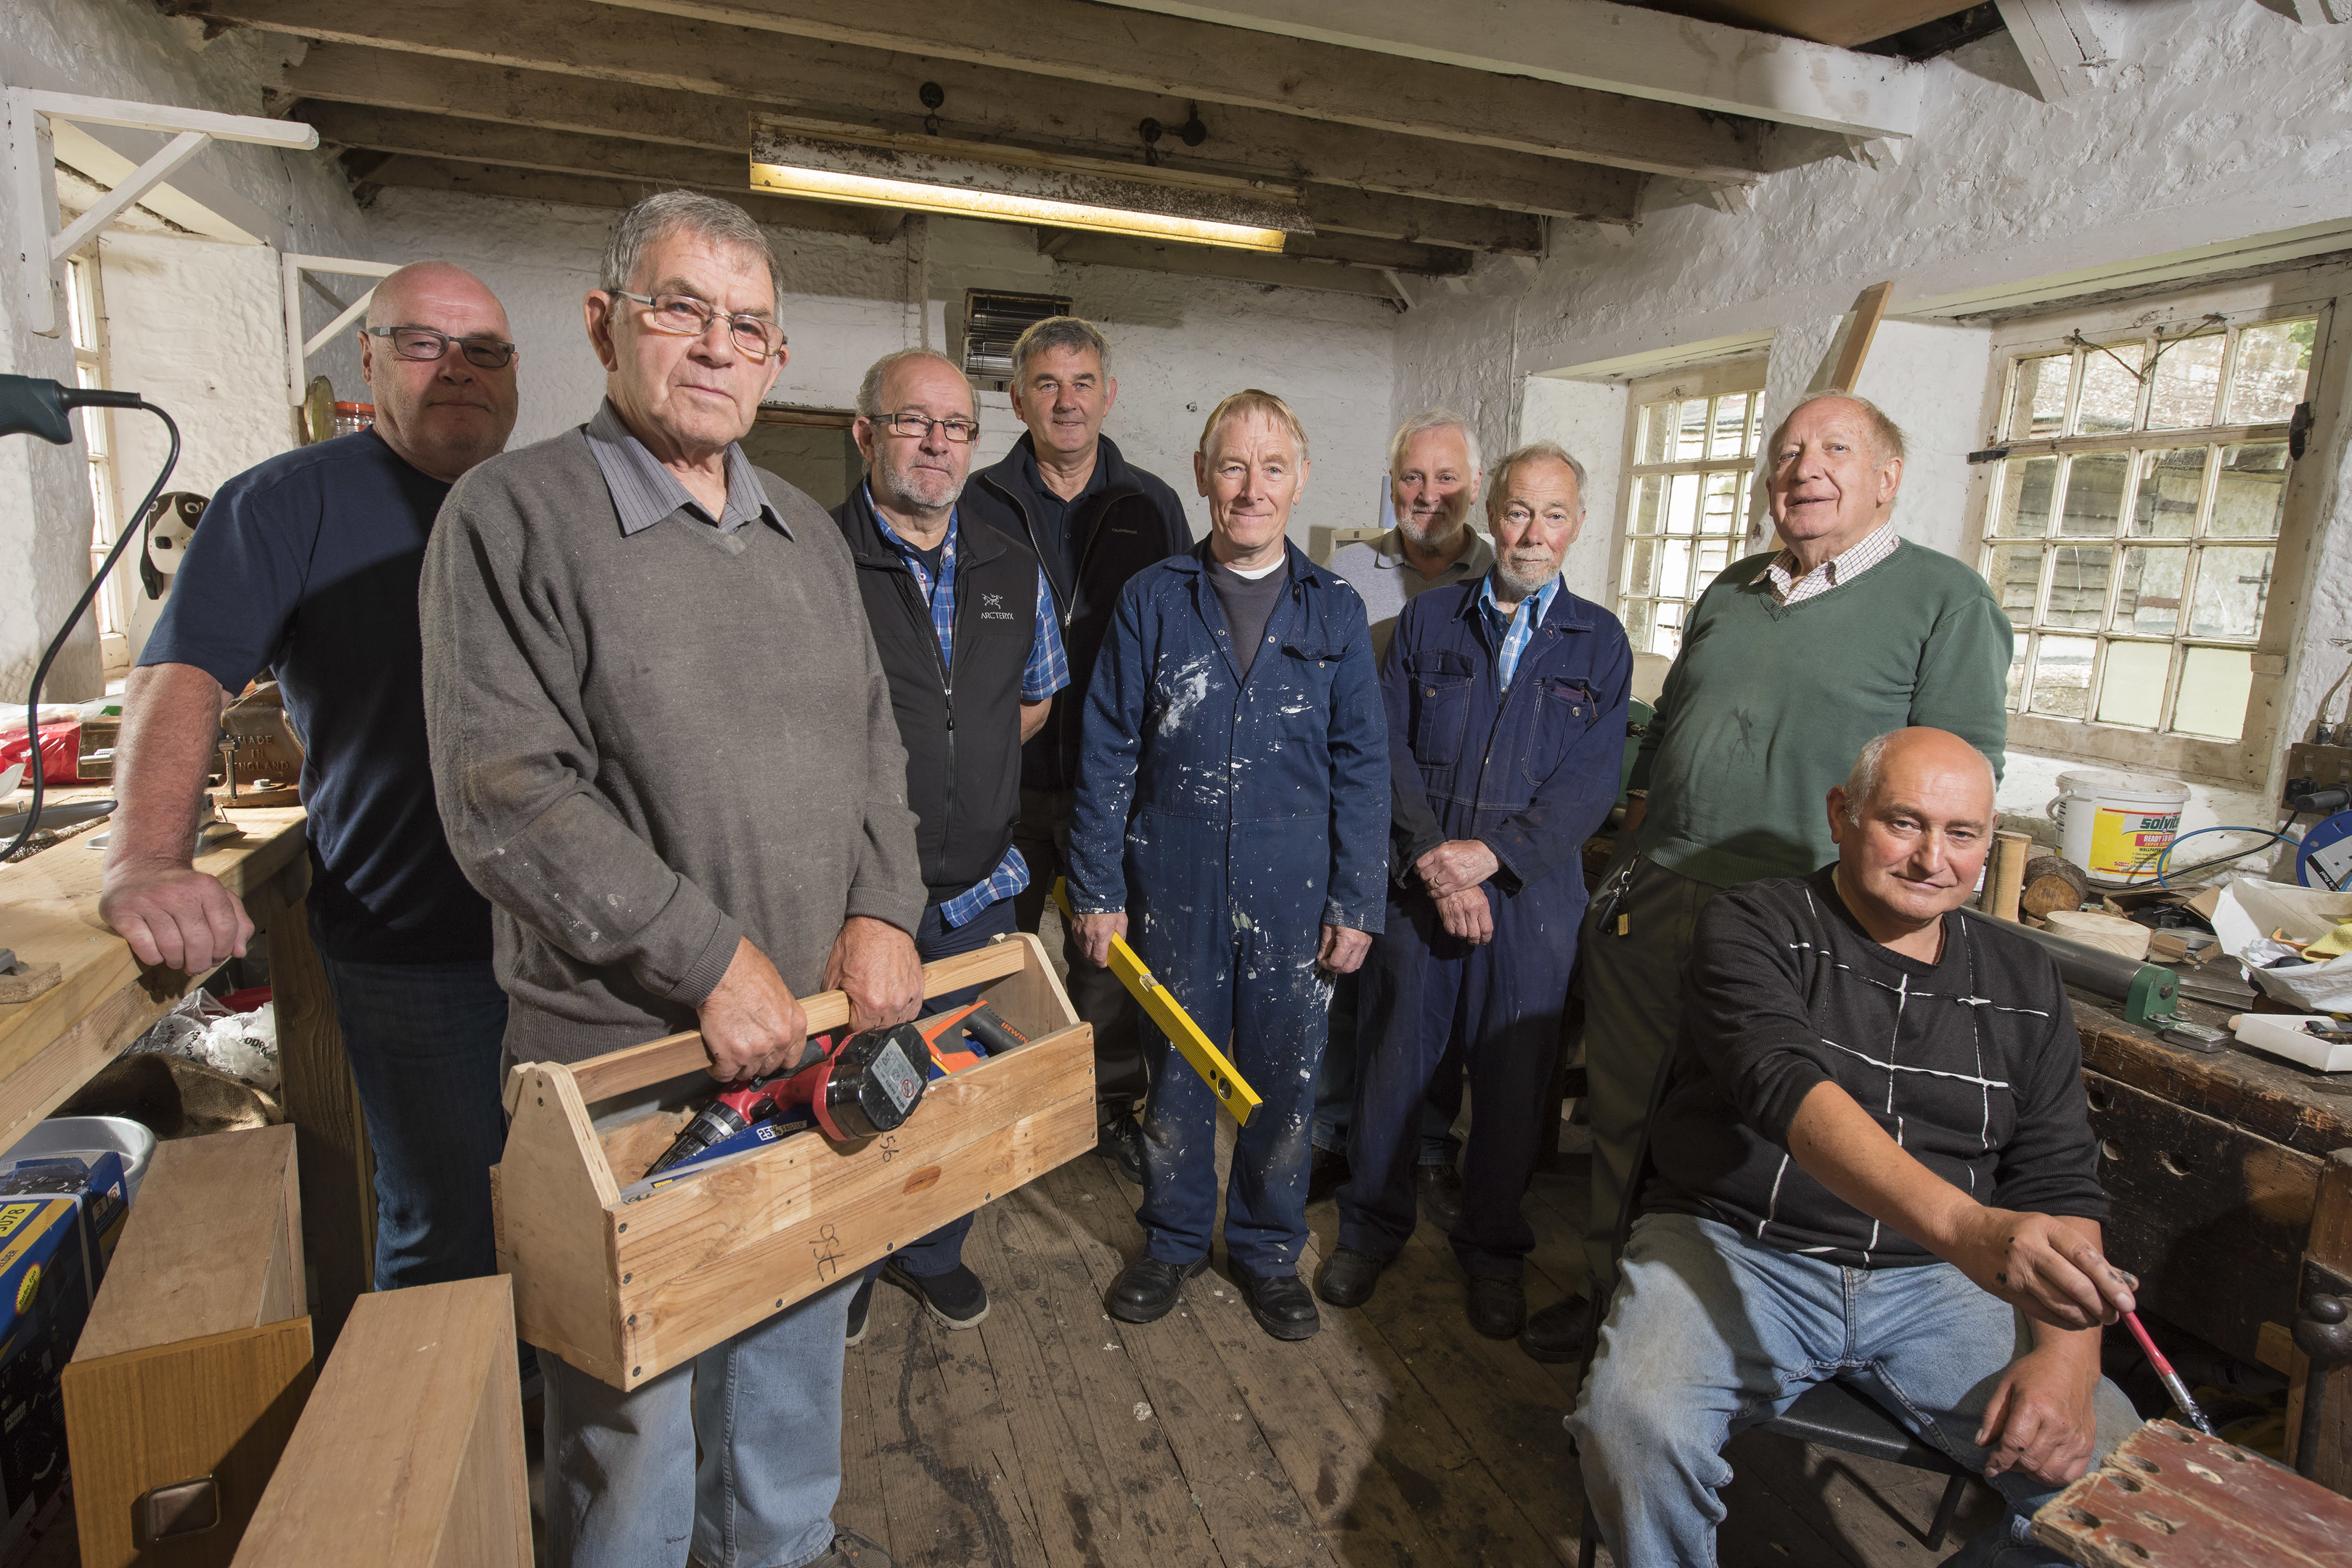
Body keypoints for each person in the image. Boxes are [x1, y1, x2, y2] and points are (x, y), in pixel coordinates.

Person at [420, 191, 921, 1568]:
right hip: (629, 1070)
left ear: (775, 358)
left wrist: (887, 905)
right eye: (679, 309)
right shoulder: (512, 516)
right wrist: (711, 961)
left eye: (746, 323)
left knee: (788, 1359)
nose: (715, 345)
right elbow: (507, 797)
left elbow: (877, 741)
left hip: (809, 1050)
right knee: (629, 1418)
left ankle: (781, 1551)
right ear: (604, 325)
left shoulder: (807, 536)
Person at [1569, 727, 2140, 1567]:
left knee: (2130, 1492)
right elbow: (1785, 1087)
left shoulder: (2025, 977)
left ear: (1990, 844)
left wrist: (2068, 1354)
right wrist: (1972, 1232)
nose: (1931, 859)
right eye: (1904, 823)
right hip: (1742, 1246)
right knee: (1632, 1425)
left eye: (1962, 834)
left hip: (1934, 1284)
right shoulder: (1755, 922)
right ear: (1843, 815)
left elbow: (2059, 1175)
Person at [1525, 391, 2015, 1360]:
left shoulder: (1945, 601)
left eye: (1835, 449)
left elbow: (1958, 784)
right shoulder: (1734, 588)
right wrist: (1633, 847)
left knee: (1761, 1137)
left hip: (1807, 921)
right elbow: (1665, 736)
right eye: (1788, 452)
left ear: (1887, 480)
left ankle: (1731, 1343)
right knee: (1626, 1114)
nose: (1805, 468)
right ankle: (1606, 1306)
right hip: (1662, 892)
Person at [102, 261, 520, 1294]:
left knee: (567, 1204)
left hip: (569, 942)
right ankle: (443, 1439)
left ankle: (546, 1422)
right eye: (424, 343)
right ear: (366, 361)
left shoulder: (542, 502)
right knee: (448, 1223)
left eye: (487, 351)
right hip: (417, 944)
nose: (457, 369)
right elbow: (185, 671)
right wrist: (149, 858)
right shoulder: (285, 505)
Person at [1067, 389, 1387, 1343]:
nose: (1252, 488)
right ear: (1205, 476)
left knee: (1285, 1083)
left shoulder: (1335, 610)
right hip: (1173, 877)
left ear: (1299, 483)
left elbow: (1363, 767)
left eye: (1272, 468)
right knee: (1172, 1075)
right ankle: (1170, 1243)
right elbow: (1106, 748)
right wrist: (1094, 887)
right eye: (1233, 467)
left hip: (1296, 887)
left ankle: (1263, 1252)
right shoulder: (1155, 599)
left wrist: (1357, 899)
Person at [1319, 442, 1630, 1339]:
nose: (1534, 534)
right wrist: (1432, 858)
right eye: (1520, 513)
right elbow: (1386, 751)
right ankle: (1372, 1230)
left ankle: (1493, 1249)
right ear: (1491, 518)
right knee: (1393, 1068)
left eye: (1555, 515)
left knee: (1511, 1082)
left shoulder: (1599, 642)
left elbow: (1588, 784)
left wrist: (1490, 859)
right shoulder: (1427, 625)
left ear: (1577, 525)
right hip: (1423, 891)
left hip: (1533, 902)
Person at [830, 347, 1068, 1345]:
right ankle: (838, 1267)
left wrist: (954, 759)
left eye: (957, 426)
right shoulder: (815, 556)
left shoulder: (1012, 561)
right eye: (913, 421)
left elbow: (1035, 696)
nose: (937, 442)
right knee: (843, 1093)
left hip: (978, 891)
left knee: (956, 1087)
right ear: (865, 435)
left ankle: (932, 1254)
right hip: (850, 901)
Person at [960, 317, 1192, 1185]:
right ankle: (989, 1105)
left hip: (1116, 783)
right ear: (1016, 396)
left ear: (1109, 394)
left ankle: (1104, 1107)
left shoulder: (1151, 505)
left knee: (1106, 958)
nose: (1067, 401)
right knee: (992, 952)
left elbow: (1179, 644)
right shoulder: (978, 500)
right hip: (1001, 778)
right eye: (1047, 384)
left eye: (1083, 382)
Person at [1312, 408, 1498, 1221]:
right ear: (1392, 487)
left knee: (1433, 990)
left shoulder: (1502, 574)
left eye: (1447, 477)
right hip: (1353, 803)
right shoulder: (1346, 570)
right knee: (1345, 977)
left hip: (1446, 813)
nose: (1429, 495)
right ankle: (1328, 1134)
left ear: (1476, 486)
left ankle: (1424, 1140)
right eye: (1413, 479)